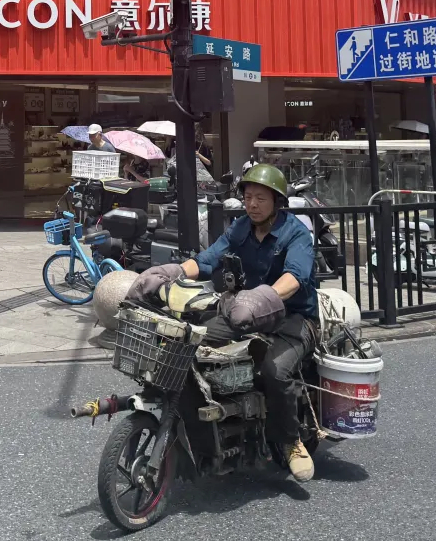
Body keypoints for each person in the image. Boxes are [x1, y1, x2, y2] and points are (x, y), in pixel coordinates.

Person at [128, 163, 319, 483]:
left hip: (293, 318)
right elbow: (208, 259)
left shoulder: (295, 232)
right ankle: (203, 419)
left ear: (277, 201)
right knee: (189, 342)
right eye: (248, 197)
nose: (252, 204)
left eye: (260, 198)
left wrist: (264, 297)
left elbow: (295, 277)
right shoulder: (241, 228)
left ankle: (289, 441)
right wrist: (172, 273)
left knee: (274, 371)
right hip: (245, 313)